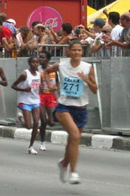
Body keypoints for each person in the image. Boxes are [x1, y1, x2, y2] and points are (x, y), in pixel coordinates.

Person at [43, 41, 98, 184]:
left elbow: (94, 89)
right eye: (74, 50)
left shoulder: (87, 67)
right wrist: (49, 85)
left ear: (82, 52)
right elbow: (45, 72)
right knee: (74, 136)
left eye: (79, 50)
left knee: (73, 141)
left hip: (81, 108)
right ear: (69, 51)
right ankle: (73, 172)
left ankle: (64, 164)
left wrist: (86, 79)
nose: (77, 53)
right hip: (64, 107)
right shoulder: (61, 65)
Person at [12, 56, 42, 154]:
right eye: (33, 63)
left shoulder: (38, 74)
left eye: (37, 63)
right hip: (25, 100)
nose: (35, 64)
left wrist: (40, 88)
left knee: (37, 123)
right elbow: (13, 86)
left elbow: (38, 87)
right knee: (29, 126)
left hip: (35, 100)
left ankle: (31, 146)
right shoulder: (25, 74)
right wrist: (24, 90)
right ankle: (21, 120)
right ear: (29, 63)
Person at [38, 51, 58, 151]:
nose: (40, 59)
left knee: (51, 122)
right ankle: (42, 142)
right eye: (40, 57)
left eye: (43, 58)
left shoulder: (53, 69)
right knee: (44, 121)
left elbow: (57, 82)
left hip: (51, 96)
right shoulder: (37, 70)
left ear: (48, 59)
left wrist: (56, 88)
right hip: (40, 96)